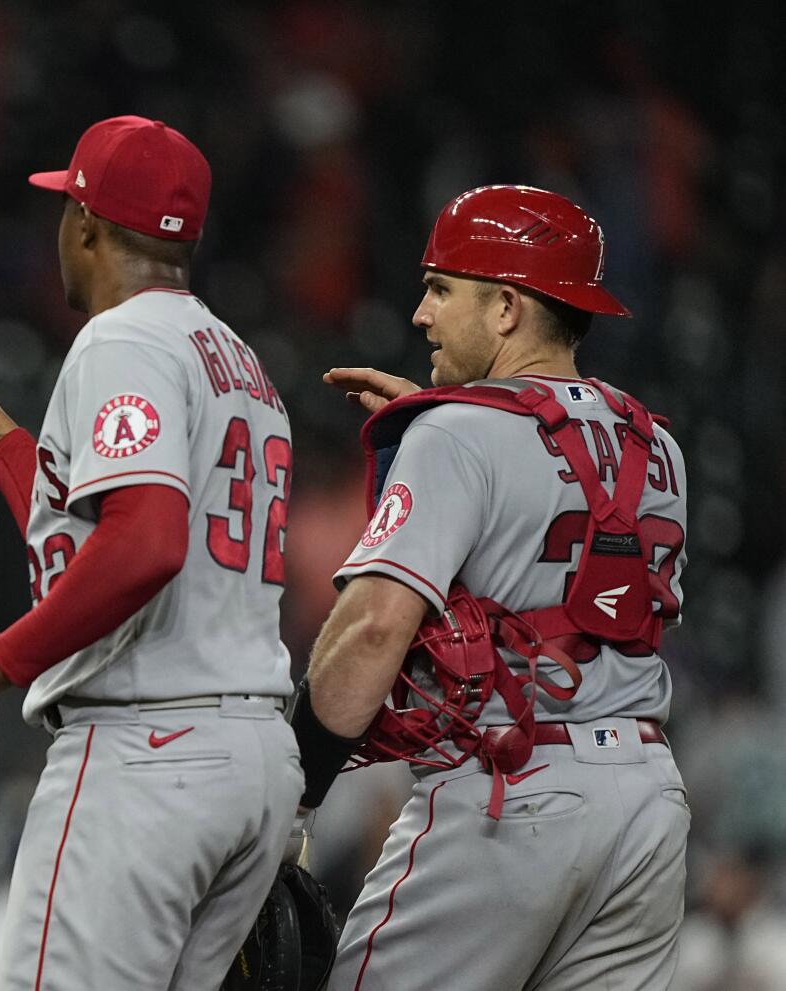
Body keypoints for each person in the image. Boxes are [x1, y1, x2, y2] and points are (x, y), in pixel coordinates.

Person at [0, 115, 302, 989]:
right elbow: (103, 542)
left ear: (83, 225)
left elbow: (146, 544)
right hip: (251, 754)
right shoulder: (238, 360)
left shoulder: (120, 338)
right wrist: (6, 441)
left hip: (147, 752)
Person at [296, 185, 689, 990]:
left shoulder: (454, 435)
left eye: (442, 288)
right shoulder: (659, 443)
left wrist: (293, 787)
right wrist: (450, 426)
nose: (421, 314)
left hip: (511, 798)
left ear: (507, 308)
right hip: (647, 803)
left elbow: (372, 629)